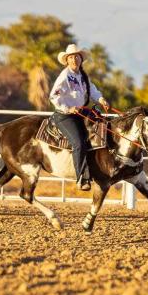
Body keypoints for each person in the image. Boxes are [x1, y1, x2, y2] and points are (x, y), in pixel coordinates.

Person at [49, 44, 110, 190]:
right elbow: (53, 96)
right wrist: (68, 108)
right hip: (65, 116)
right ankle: (82, 178)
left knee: (102, 128)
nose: (74, 59)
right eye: (71, 57)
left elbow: (92, 89)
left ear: (81, 59)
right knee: (79, 143)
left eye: (77, 56)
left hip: (81, 113)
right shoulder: (64, 76)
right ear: (67, 60)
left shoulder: (82, 76)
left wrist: (101, 99)